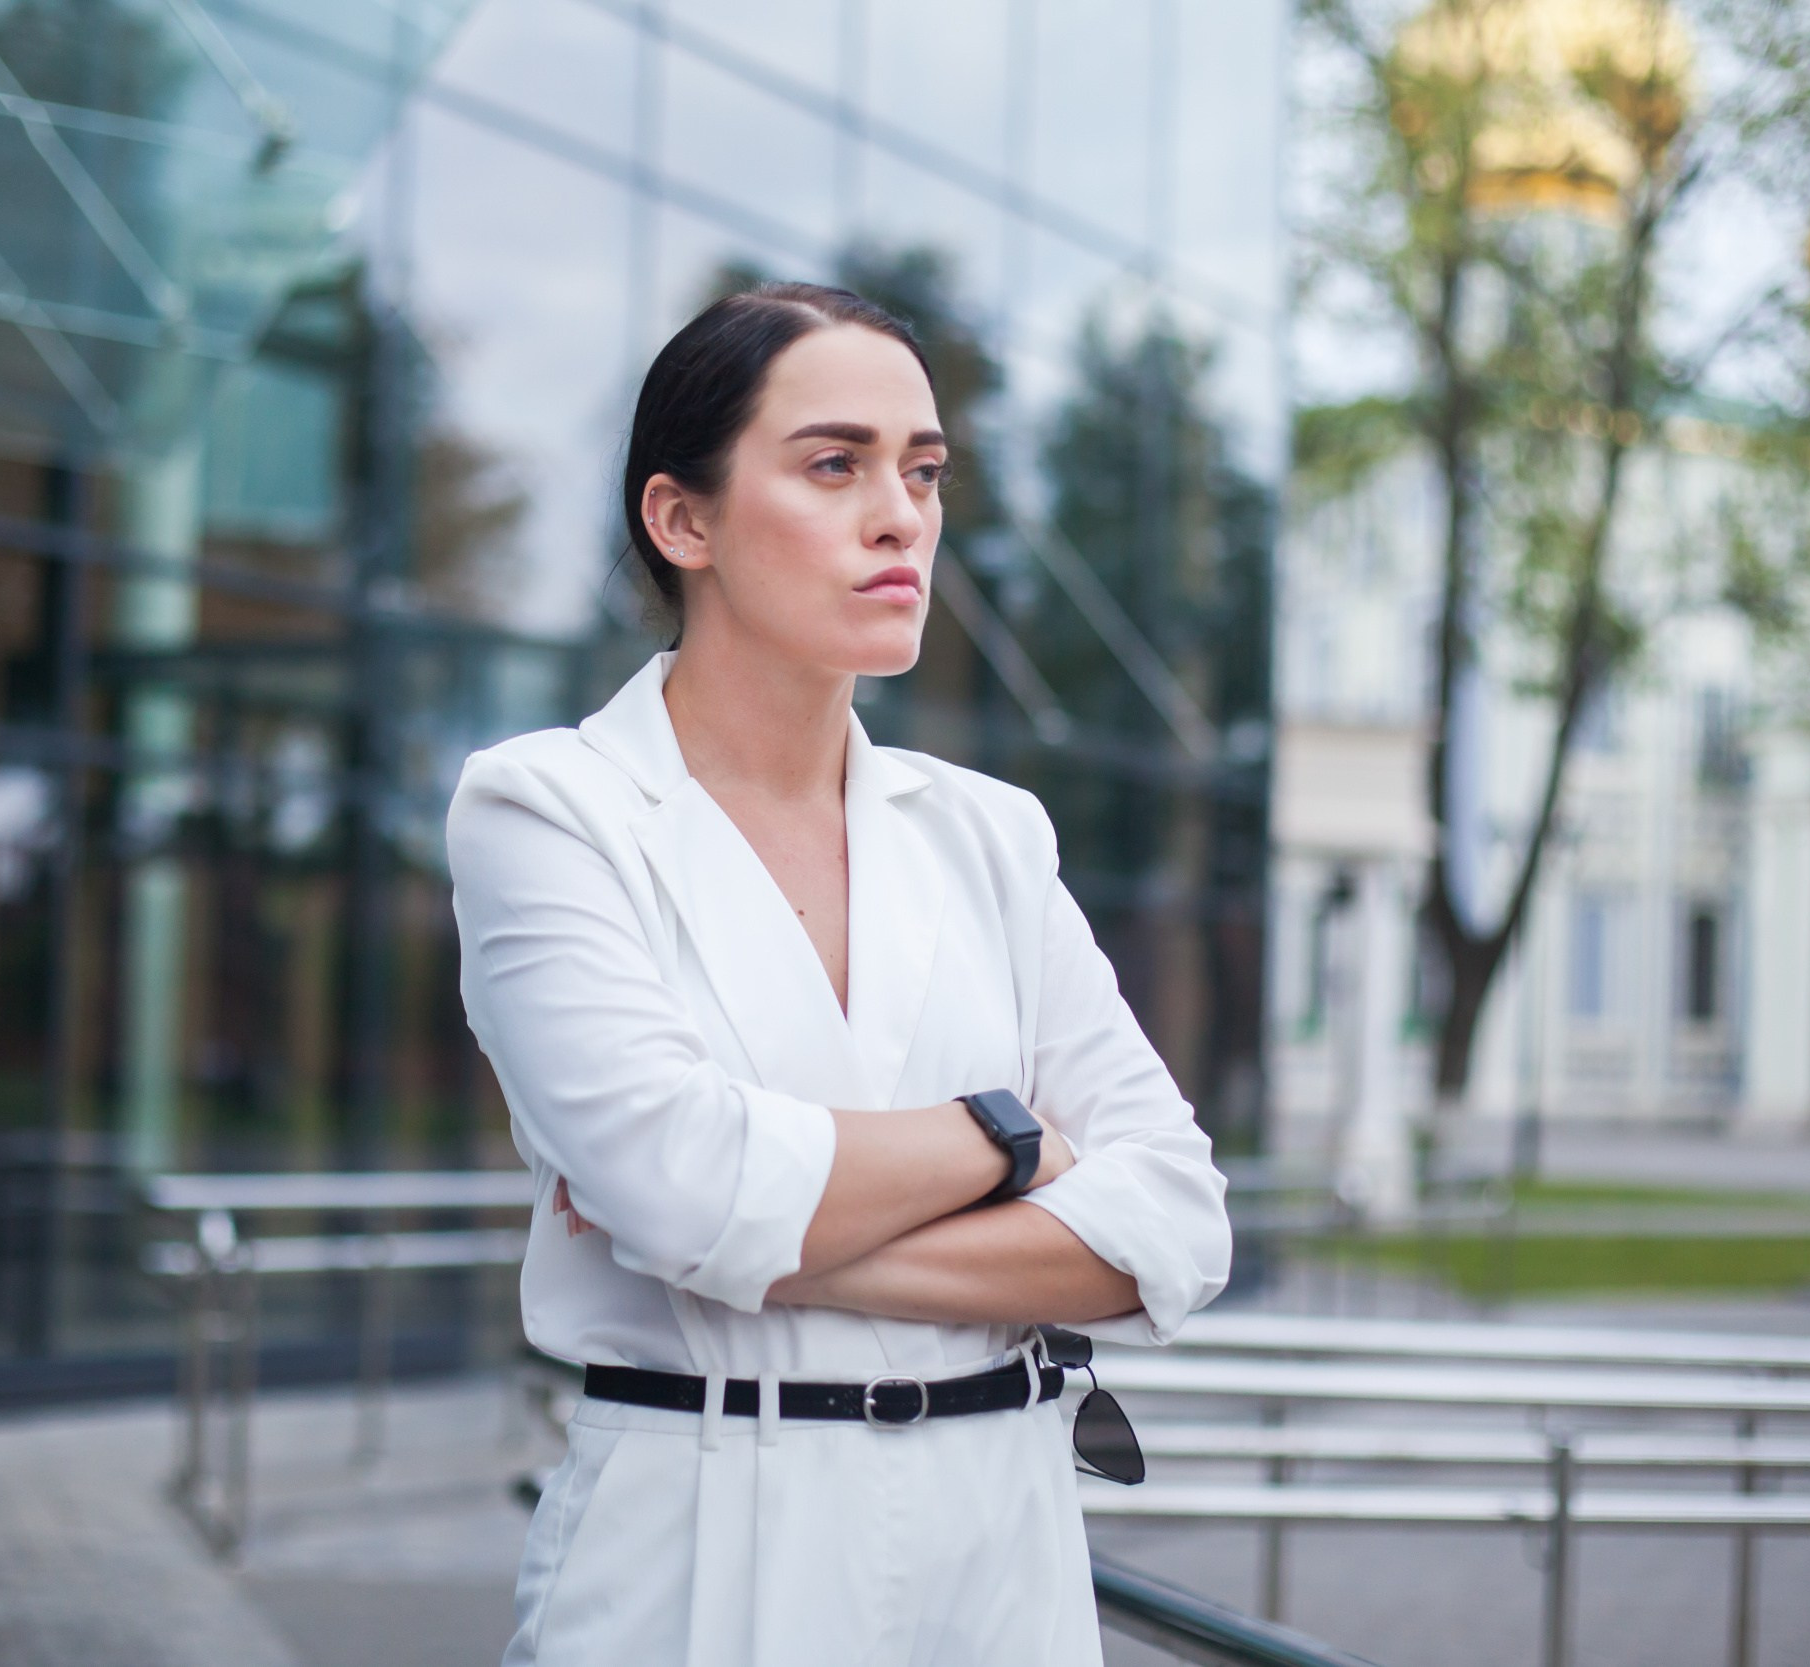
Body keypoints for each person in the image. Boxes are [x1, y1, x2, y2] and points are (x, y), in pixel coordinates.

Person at [447, 282, 1230, 1667]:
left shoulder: (988, 833)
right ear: (681, 519)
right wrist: (1009, 1141)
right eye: (835, 465)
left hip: (1007, 1545)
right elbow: (686, 1183)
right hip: (701, 1538)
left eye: (923, 471)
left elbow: (1173, 1222)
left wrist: (770, 1261)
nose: (901, 516)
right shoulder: (549, 810)